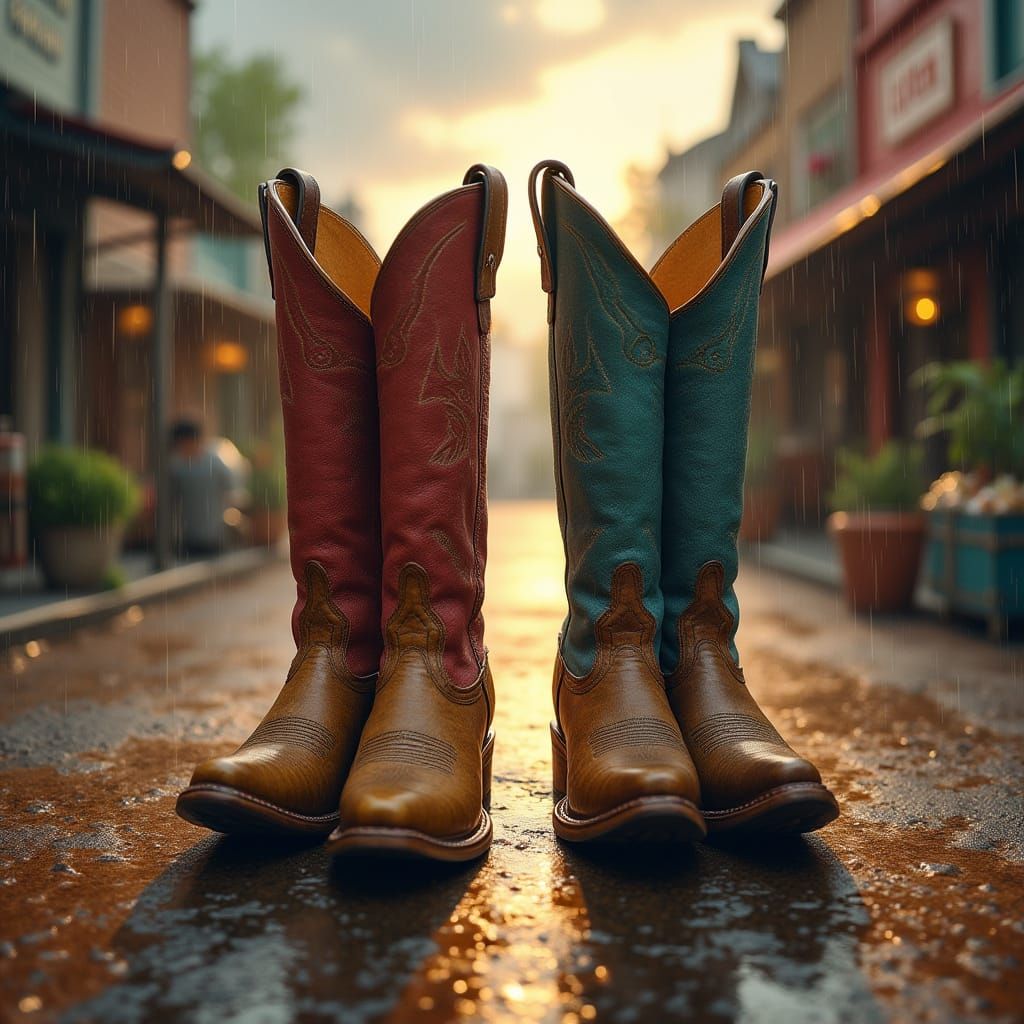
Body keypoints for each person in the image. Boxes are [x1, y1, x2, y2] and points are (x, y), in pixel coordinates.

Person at [168, 418, 233, 559]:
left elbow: (229, 490)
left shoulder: (215, 464)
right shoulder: (176, 466)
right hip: (187, 538)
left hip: (213, 536)